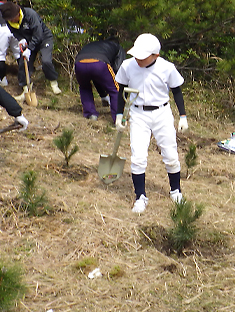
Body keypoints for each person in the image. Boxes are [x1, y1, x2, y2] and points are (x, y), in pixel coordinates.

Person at [115, 33, 189, 213]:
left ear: (155, 55)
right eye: (136, 55)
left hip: (161, 113)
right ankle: (140, 196)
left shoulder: (167, 68)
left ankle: (175, 190)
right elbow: (121, 91)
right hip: (138, 113)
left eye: (142, 56)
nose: (138, 59)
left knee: (170, 154)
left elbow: (176, 91)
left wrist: (183, 116)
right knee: (138, 156)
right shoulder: (127, 66)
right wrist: (119, 115)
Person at [0, 1, 61, 97]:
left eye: (13, 18)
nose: (12, 20)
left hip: (43, 39)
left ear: (17, 13)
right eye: (9, 19)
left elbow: (38, 34)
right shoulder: (9, 20)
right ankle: (26, 90)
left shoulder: (30, 15)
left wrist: (30, 49)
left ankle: (53, 83)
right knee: (23, 64)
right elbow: (14, 32)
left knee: (46, 61)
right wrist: (21, 39)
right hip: (27, 41)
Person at [75, 38, 126, 121]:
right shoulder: (118, 48)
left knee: (84, 88)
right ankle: (118, 118)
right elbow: (119, 67)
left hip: (80, 63)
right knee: (114, 90)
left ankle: (90, 114)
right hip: (99, 63)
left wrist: (103, 95)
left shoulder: (93, 44)